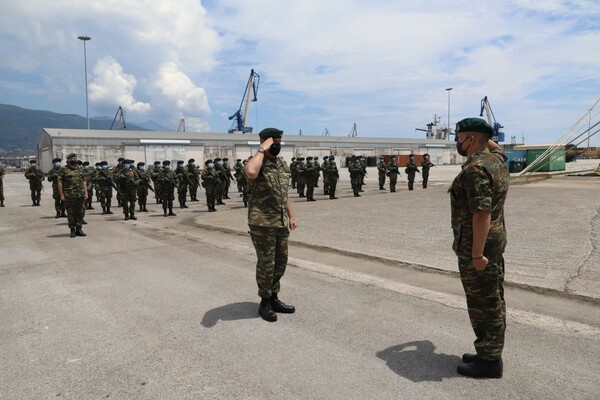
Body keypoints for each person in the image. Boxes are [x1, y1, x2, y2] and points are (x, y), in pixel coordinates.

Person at [450, 117, 509, 379]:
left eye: (460, 137)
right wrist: (484, 138)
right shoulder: (495, 160)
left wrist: (476, 254)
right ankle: (487, 349)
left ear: (470, 139)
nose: (457, 142)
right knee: (493, 296)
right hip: (494, 242)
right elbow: (496, 147)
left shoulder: (475, 170)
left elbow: (481, 214)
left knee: (483, 303)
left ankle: (489, 361)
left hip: (479, 246)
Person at [244, 127, 297, 322]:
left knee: (280, 263)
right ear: (264, 142)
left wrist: (291, 216)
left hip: (280, 222)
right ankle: (264, 302)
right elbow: (250, 173)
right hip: (262, 223)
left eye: (279, 141)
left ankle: (274, 298)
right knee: (267, 264)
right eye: (273, 142)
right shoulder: (255, 162)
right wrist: (261, 150)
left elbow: (285, 194)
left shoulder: (281, 164)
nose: (278, 145)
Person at [58, 153, 87, 238]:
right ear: (68, 160)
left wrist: (86, 193)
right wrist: (62, 194)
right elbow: (60, 182)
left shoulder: (81, 168)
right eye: (72, 158)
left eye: (75, 158)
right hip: (69, 195)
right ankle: (72, 229)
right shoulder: (64, 169)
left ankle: (79, 228)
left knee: (80, 212)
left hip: (80, 194)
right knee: (71, 213)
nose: (73, 159)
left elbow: (84, 181)